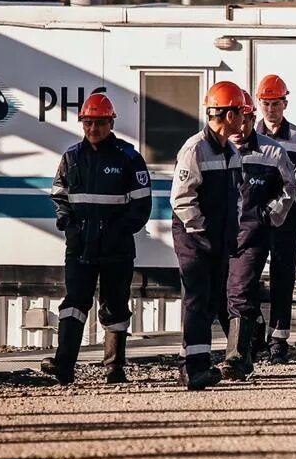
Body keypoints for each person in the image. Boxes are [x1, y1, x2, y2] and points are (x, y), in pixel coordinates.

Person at [43, 93, 152, 385]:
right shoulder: (71, 158)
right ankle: (63, 366)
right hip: (80, 247)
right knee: (74, 304)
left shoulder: (128, 157)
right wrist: (68, 224)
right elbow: (59, 195)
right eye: (88, 123)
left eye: (100, 123)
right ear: (82, 123)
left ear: (111, 123)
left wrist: (119, 231)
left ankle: (114, 369)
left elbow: (142, 204)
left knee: (115, 306)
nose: (94, 129)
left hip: (116, 249)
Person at [170, 81, 246, 390]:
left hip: (217, 238)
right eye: (241, 112)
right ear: (228, 115)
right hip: (194, 237)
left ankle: (194, 364)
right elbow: (181, 198)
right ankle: (195, 368)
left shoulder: (230, 150)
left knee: (212, 300)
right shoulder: (195, 148)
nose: (244, 118)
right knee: (198, 299)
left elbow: (237, 195)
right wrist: (200, 231)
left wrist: (231, 230)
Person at [222, 90, 295, 381]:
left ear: (252, 118)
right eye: (237, 119)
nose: (240, 126)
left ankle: (236, 358)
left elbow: (289, 189)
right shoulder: (213, 149)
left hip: (252, 235)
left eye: (246, 119)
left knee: (240, 290)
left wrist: (270, 215)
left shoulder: (272, 152)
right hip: (217, 236)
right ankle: (248, 345)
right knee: (220, 294)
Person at [253, 74, 296, 363]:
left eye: (275, 103)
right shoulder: (248, 136)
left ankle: (279, 340)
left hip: (287, 219)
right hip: (253, 219)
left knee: (283, 279)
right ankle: (254, 332)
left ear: (285, 103)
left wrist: (280, 208)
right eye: (265, 103)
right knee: (246, 277)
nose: (270, 109)